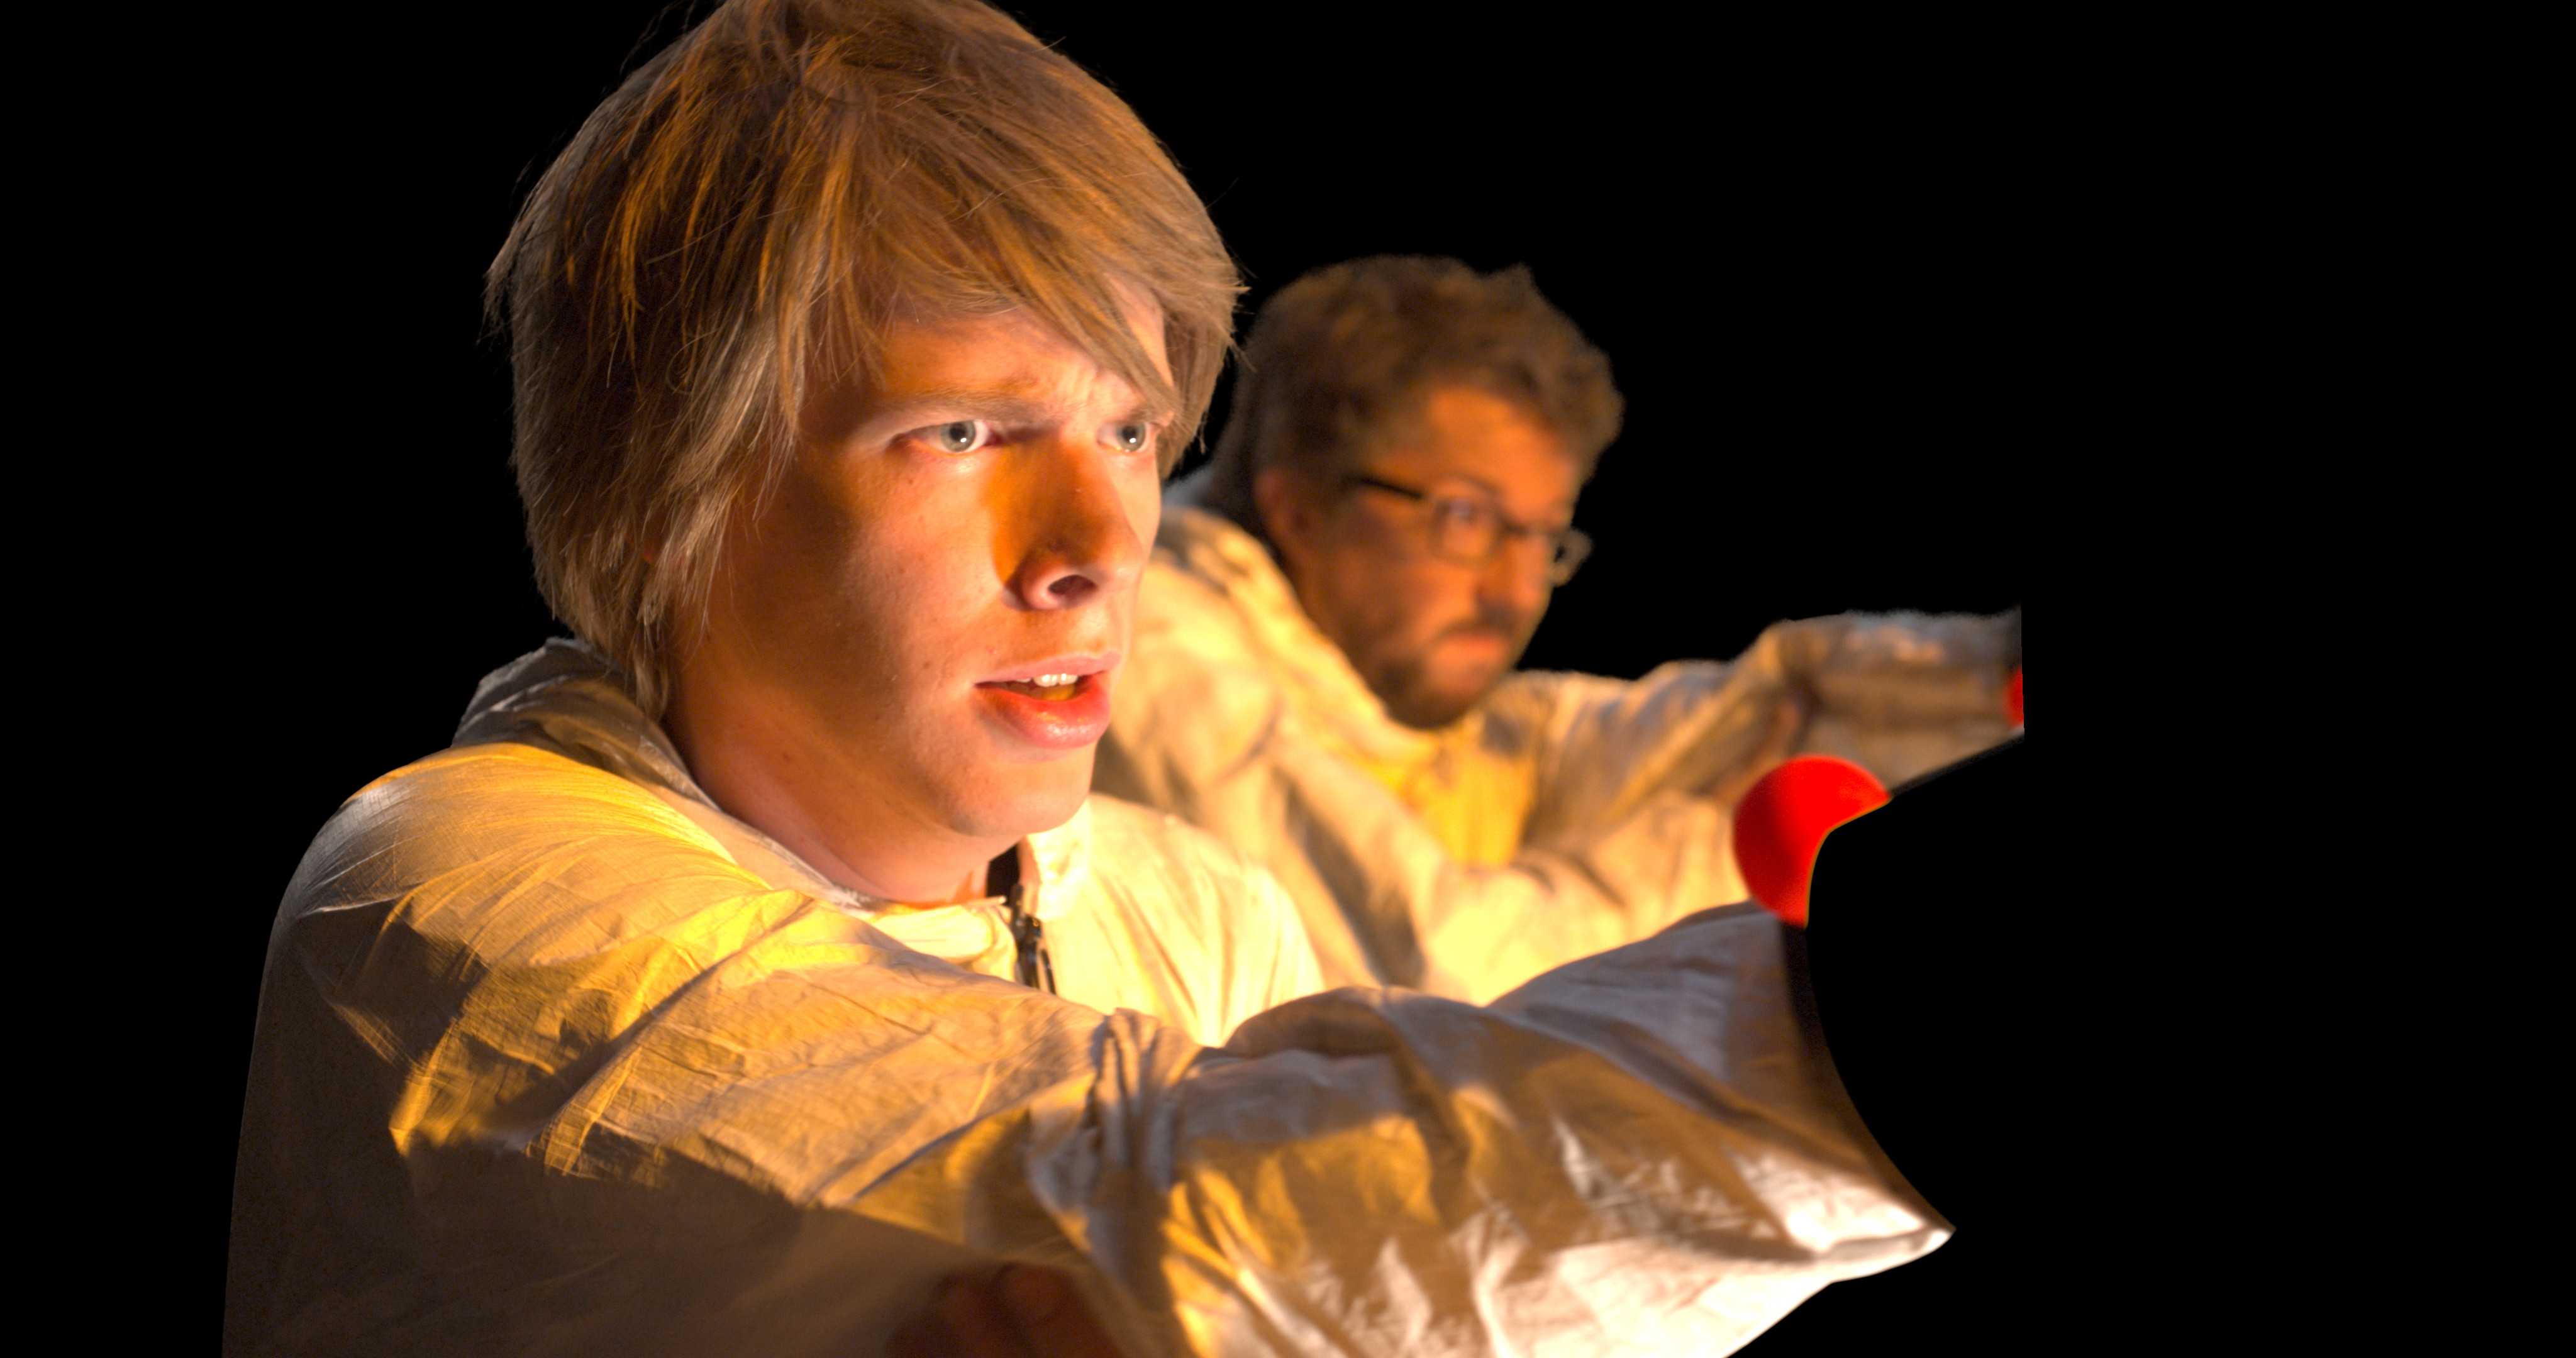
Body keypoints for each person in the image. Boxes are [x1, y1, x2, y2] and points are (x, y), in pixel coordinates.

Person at [225, 4, 1943, 1354]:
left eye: (1128, 429)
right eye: (963, 432)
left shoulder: (1196, 912)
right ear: (676, 491)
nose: (1099, 545)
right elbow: (1212, 1214)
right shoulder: (448, 904)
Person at [1097, 257, 2021, 1002]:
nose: (1516, 591)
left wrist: (1991, 675)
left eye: (1544, 538)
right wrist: (1714, 839)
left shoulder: (1416, 693)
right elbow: (1445, 972)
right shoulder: (1150, 647)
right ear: (1299, 507)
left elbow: (1753, 720)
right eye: (1466, 519)